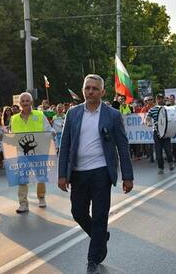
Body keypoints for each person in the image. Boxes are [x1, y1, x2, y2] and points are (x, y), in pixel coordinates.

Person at [58, 74, 134, 274]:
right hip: (78, 173)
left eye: (94, 88)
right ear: (83, 90)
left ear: (102, 92)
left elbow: (122, 146)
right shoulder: (73, 114)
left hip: (101, 172)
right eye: (87, 88)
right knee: (78, 212)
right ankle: (100, 237)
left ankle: (92, 261)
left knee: (100, 216)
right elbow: (65, 145)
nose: (90, 91)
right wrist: (62, 174)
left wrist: (128, 176)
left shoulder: (112, 115)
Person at [10, 92, 55, 213]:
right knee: (22, 178)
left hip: (39, 151)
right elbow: (12, 135)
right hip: (22, 153)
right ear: (19, 104)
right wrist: (5, 138)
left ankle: (41, 197)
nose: (25, 103)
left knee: (40, 176)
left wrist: (52, 132)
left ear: (31, 102)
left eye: (27, 101)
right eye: (23, 101)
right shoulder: (13, 119)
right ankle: (23, 203)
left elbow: (49, 128)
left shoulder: (40, 115)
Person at [146, 93, 174, 174]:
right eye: (158, 98)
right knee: (158, 152)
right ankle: (160, 168)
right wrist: (148, 123)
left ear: (163, 99)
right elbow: (147, 118)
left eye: (161, 98)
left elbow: (174, 115)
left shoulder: (168, 108)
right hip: (156, 133)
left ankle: (170, 162)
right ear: (156, 99)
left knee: (168, 151)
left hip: (166, 133)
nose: (160, 100)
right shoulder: (152, 109)